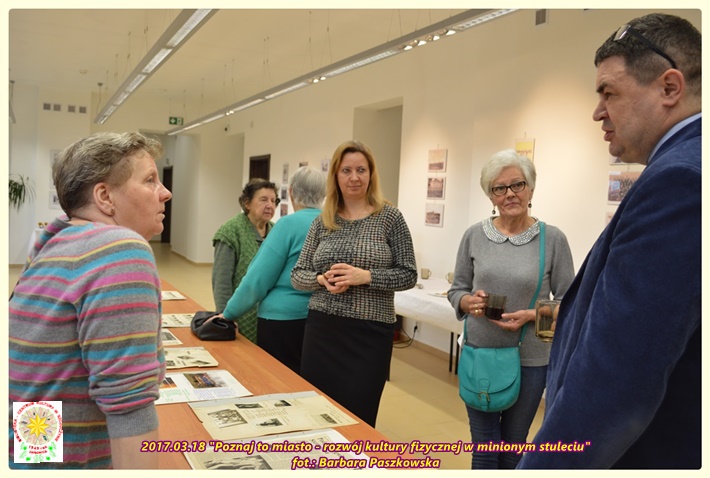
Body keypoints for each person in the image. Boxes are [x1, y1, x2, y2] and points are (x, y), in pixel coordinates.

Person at [518, 13, 701, 469]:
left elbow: (617, 379)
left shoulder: (680, 180)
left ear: (669, 88)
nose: (598, 112)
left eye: (609, 93)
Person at [8, 132, 171, 469]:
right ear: (105, 197)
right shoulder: (118, 248)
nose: (165, 192)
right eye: (150, 180)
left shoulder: (53, 240)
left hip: (31, 451)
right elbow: (129, 407)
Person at [447, 149, 574, 469]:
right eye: (499, 188)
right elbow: (457, 289)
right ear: (490, 196)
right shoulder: (474, 235)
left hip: (530, 358)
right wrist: (467, 301)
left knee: (513, 447)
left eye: (517, 185)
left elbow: (570, 303)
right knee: (485, 447)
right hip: (481, 353)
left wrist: (531, 315)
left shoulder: (552, 239)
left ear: (531, 189)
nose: (509, 194)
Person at [291, 140, 417, 427]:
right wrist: (321, 280)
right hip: (323, 331)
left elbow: (408, 274)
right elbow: (298, 275)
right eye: (346, 170)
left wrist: (367, 277)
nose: (354, 177)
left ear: (371, 174)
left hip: (369, 334)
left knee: (359, 416)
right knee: (316, 414)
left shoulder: (390, 218)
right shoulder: (323, 221)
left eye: (361, 170)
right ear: (336, 175)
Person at [214, 166, 326, 373]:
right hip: (321, 318)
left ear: (291, 192)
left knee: (277, 378)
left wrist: (228, 313)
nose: (269, 205)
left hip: (282, 320)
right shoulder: (333, 223)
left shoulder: (287, 225)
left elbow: (258, 279)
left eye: (272, 200)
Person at [212, 178, 279, 342]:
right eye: (263, 200)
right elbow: (221, 281)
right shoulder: (230, 231)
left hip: (272, 317)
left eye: (273, 200)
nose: (270, 205)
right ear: (247, 203)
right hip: (241, 315)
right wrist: (226, 317)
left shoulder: (277, 231)